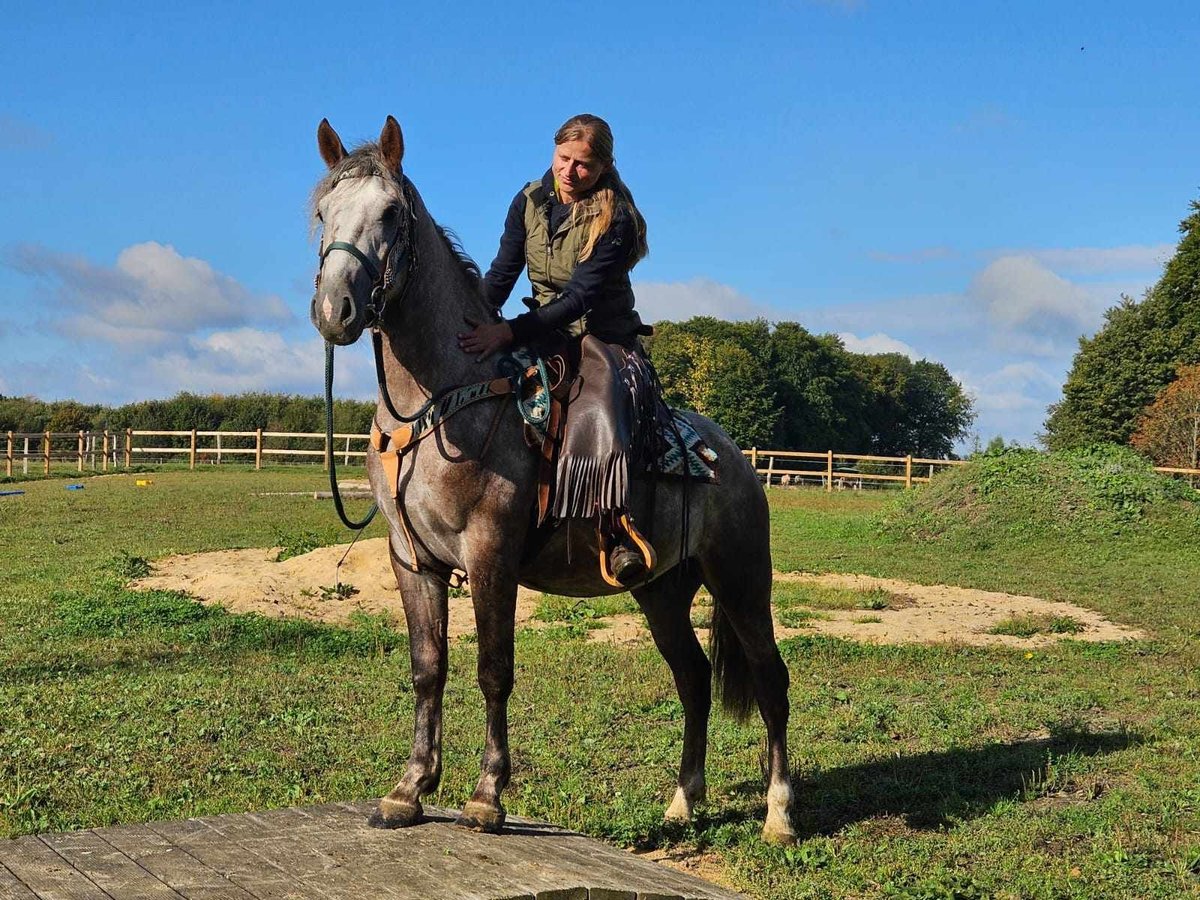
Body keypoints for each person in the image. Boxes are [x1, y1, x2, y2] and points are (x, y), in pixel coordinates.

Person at [458, 113, 656, 585]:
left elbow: (579, 298)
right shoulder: (528, 199)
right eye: (564, 158)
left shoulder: (617, 218)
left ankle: (615, 528)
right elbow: (503, 273)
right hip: (542, 332)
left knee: (597, 409)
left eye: (583, 165)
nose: (570, 172)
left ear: (604, 167)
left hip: (603, 339)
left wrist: (508, 333)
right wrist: (476, 322)